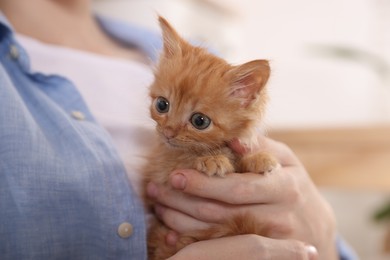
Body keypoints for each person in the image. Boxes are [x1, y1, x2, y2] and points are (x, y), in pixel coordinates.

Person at [0, 0, 357, 259]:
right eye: (161, 107)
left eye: (197, 121)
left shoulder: (198, 56)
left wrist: (322, 238)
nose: (169, 129)